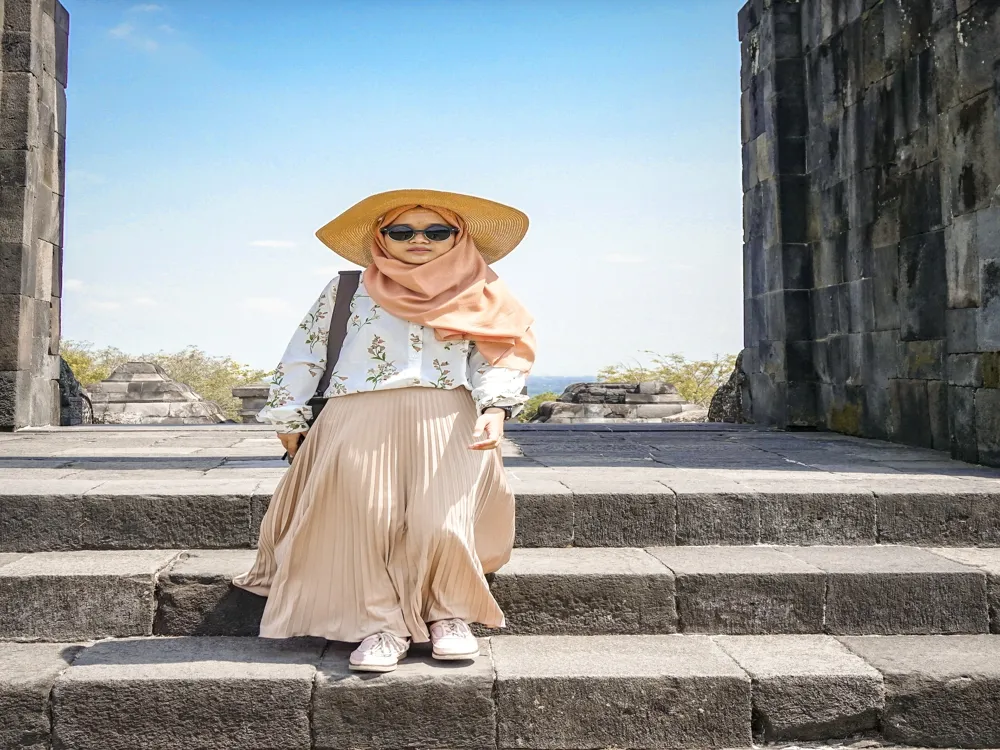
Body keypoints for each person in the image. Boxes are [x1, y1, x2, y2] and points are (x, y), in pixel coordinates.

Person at [233, 189, 535, 673]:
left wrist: (496, 408)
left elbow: (499, 355)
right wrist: (287, 416)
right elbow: (305, 352)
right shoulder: (348, 289)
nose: (420, 240)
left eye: (437, 231)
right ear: (382, 238)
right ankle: (380, 626)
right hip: (357, 416)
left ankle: (449, 614)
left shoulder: (480, 291)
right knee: (366, 521)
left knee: (442, 519)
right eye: (403, 231)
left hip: (449, 415)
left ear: (459, 238)